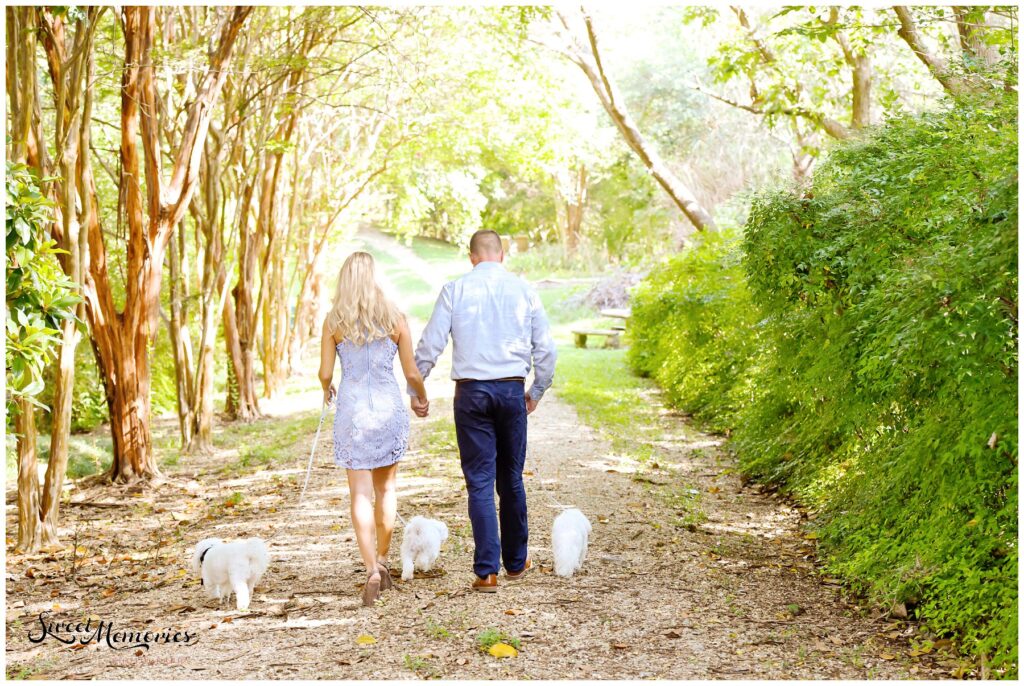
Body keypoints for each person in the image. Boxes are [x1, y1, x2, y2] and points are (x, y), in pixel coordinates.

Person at [411, 229, 556, 592]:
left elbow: (431, 344)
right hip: (510, 391)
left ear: (472, 257)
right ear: (502, 255)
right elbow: (547, 351)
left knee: (479, 482)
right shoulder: (525, 291)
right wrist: (535, 390)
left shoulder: (455, 289)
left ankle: (486, 572)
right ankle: (517, 563)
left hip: (471, 394)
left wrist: (417, 388)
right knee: (511, 478)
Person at [318, 251, 428, 606]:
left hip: (352, 412)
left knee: (359, 495)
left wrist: (327, 389)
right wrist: (421, 396)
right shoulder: (395, 319)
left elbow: (324, 372)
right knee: (387, 490)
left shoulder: (333, 321)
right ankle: (382, 556)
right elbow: (411, 372)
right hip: (386, 409)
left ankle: (370, 571)